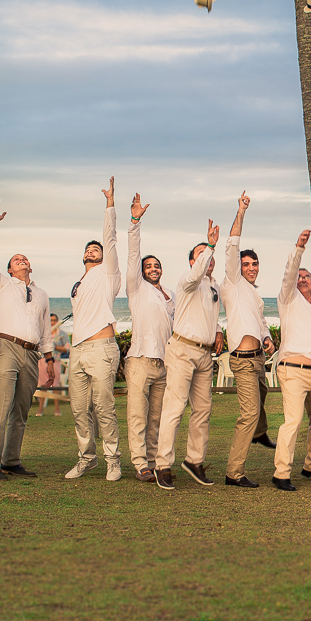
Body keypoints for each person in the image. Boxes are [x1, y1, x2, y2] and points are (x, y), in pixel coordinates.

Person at [0, 199, 55, 480]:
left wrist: (48, 359)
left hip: (31, 353)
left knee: (22, 408)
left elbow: (45, 330)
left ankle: (11, 459)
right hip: (5, 347)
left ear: (30, 268)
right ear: (9, 269)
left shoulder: (42, 294)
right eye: (16, 259)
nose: (21, 260)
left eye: (25, 259)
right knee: (0, 405)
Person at [154, 220, 225, 490]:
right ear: (193, 261)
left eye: (209, 255)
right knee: (174, 409)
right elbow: (197, 274)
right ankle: (163, 464)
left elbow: (209, 315)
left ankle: (195, 460)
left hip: (205, 356)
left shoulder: (213, 286)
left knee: (203, 410)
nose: (208, 258)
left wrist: (218, 330)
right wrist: (210, 244)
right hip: (182, 350)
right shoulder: (188, 280)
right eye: (202, 254)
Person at [65, 178, 123, 481]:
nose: (93, 250)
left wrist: (110, 205)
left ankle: (113, 459)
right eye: (88, 249)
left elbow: (110, 239)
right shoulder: (79, 283)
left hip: (101, 348)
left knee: (103, 407)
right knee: (78, 410)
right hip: (78, 350)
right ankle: (87, 458)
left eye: (96, 249)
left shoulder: (108, 273)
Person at [221, 192, 276, 489]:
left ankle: (259, 432)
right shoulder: (232, 282)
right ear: (238, 267)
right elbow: (232, 244)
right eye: (247, 264)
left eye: (254, 264)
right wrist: (241, 211)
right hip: (242, 361)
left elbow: (261, 322)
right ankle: (234, 473)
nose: (251, 267)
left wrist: (267, 339)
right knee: (249, 413)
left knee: (263, 396)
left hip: (258, 359)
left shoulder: (254, 294)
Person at [271, 229, 311, 491]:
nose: (303, 279)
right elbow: (288, 273)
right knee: (293, 421)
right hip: (292, 370)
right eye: (300, 277)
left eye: (308, 277)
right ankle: (281, 473)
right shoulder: (288, 299)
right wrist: (299, 248)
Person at [123, 193, 174, 482]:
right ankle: (140, 462)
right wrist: (135, 222)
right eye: (148, 266)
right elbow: (132, 255)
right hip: (140, 361)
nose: (153, 269)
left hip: (165, 364)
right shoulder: (137, 289)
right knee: (137, 416)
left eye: (156, 266)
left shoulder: (170, 294)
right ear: (142, 272)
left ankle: (154, 461)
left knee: (157, 418)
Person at [36, 313, 69, 417]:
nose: (52, 322)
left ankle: (57, 408)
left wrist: (56, 347)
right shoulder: (43, 334)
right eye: (50, 321)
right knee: (43, 385)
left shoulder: (62, 334)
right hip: (43, 361)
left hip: (56, 361)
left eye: (54, 320)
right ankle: (40, 409)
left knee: (56, 384)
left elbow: (68, 348)